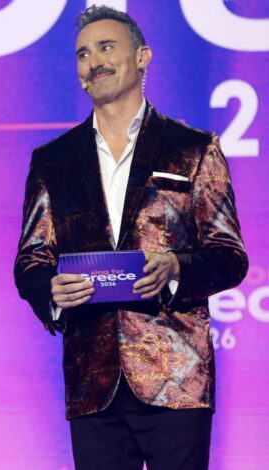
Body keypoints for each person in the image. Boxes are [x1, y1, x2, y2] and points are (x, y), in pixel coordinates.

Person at [14, 6, 248, 469]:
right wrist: (50, 291)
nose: (93, 62)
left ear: (142, 57)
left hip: (177, 376)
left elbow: (229, 255)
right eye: (83, 54)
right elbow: (31, 260)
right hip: (91, 379)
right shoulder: (54, 160)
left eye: (106, 47)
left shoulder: (193, 148)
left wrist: (177, 267)